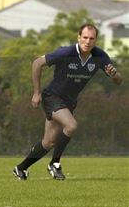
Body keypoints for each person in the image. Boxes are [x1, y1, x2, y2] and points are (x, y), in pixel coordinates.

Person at [13, 23, 123, 181]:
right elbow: (37, 63)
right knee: (71, 126)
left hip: (69, 102)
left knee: (48, 142)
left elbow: (119, 80)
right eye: (84, 37)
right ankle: (55, 164)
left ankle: (20, 168)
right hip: (52, 97)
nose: (88, 41)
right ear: (79, 38)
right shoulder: (66, 52)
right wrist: (36, 93)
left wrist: (114, 75)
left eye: (91, 38)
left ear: (96, 40)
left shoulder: (100, 56)